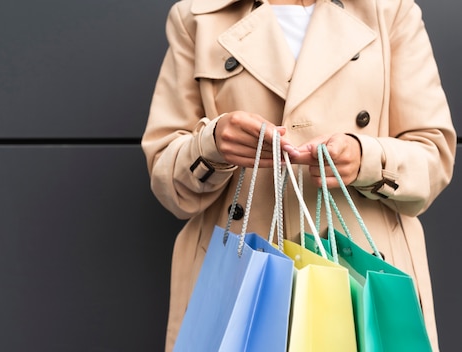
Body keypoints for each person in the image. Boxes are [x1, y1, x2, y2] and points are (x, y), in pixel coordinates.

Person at [141, 0, 456, 350]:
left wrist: (364, 158)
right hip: (244, 277)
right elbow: (165, 175)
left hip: (361, 276)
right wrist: (212, 144)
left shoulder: (389, 10)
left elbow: (434, 156)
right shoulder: (198, 17)